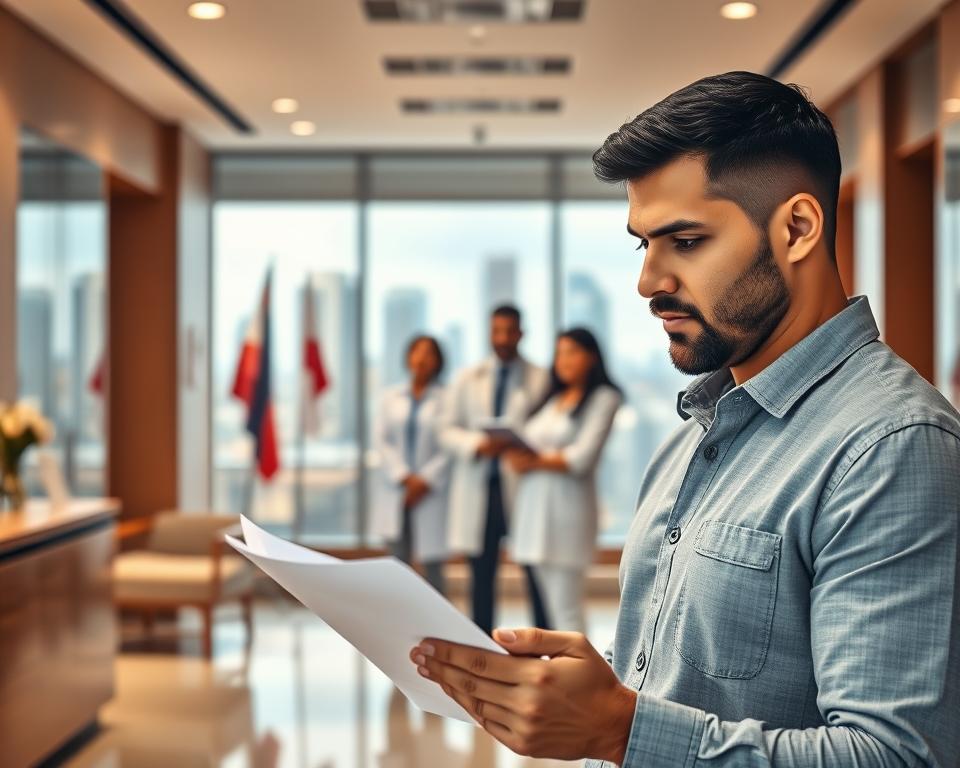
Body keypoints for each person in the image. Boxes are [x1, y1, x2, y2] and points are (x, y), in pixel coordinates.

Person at [409, 71, 960, 766]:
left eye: (687, 241)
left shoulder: (893, 447)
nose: (649, 282)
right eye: (645, 244)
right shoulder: (690, 441)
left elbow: (895, 757)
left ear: (797, 229)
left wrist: (618, 728)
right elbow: (682, 681)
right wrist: (586, 689)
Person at [438, 305, 549, 635]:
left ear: (521, 334)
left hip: (521, 486)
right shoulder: (467, 378)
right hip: (480, 488)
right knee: (481, 575)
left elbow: (547, 428)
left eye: (509, 332)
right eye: (496, 331)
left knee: (534, 569)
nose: (502, 339)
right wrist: (476, 444)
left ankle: (544, 641)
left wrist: (518, 442)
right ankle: (482, 644)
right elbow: (445, 429)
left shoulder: (540, 378)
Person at [506, 328, 622, 634]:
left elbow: (581, 457)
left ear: (592, 356)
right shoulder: (551, 399)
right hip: (533, 512)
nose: (564, 360)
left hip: (566, 514)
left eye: (572, 352)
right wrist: (520, 458)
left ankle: (579, 678)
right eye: (559, 353)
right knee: (549, 611)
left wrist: (535, 460)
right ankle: (558, 675)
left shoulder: (604, 398)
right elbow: (531, 446)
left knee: (566, 611)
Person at [372, 335, 449, 595]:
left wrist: (424, 480)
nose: (422, 359)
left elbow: (450, 446)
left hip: (430, 492)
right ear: (408, 357)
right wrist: (404, 476)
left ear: (438, 361)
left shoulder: (447, 399)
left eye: (429, 353)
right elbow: (382, 441)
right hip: (397, 490)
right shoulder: (389, 397)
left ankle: (443, 631)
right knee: (397, 565)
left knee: (434, 568)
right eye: (417, 352)